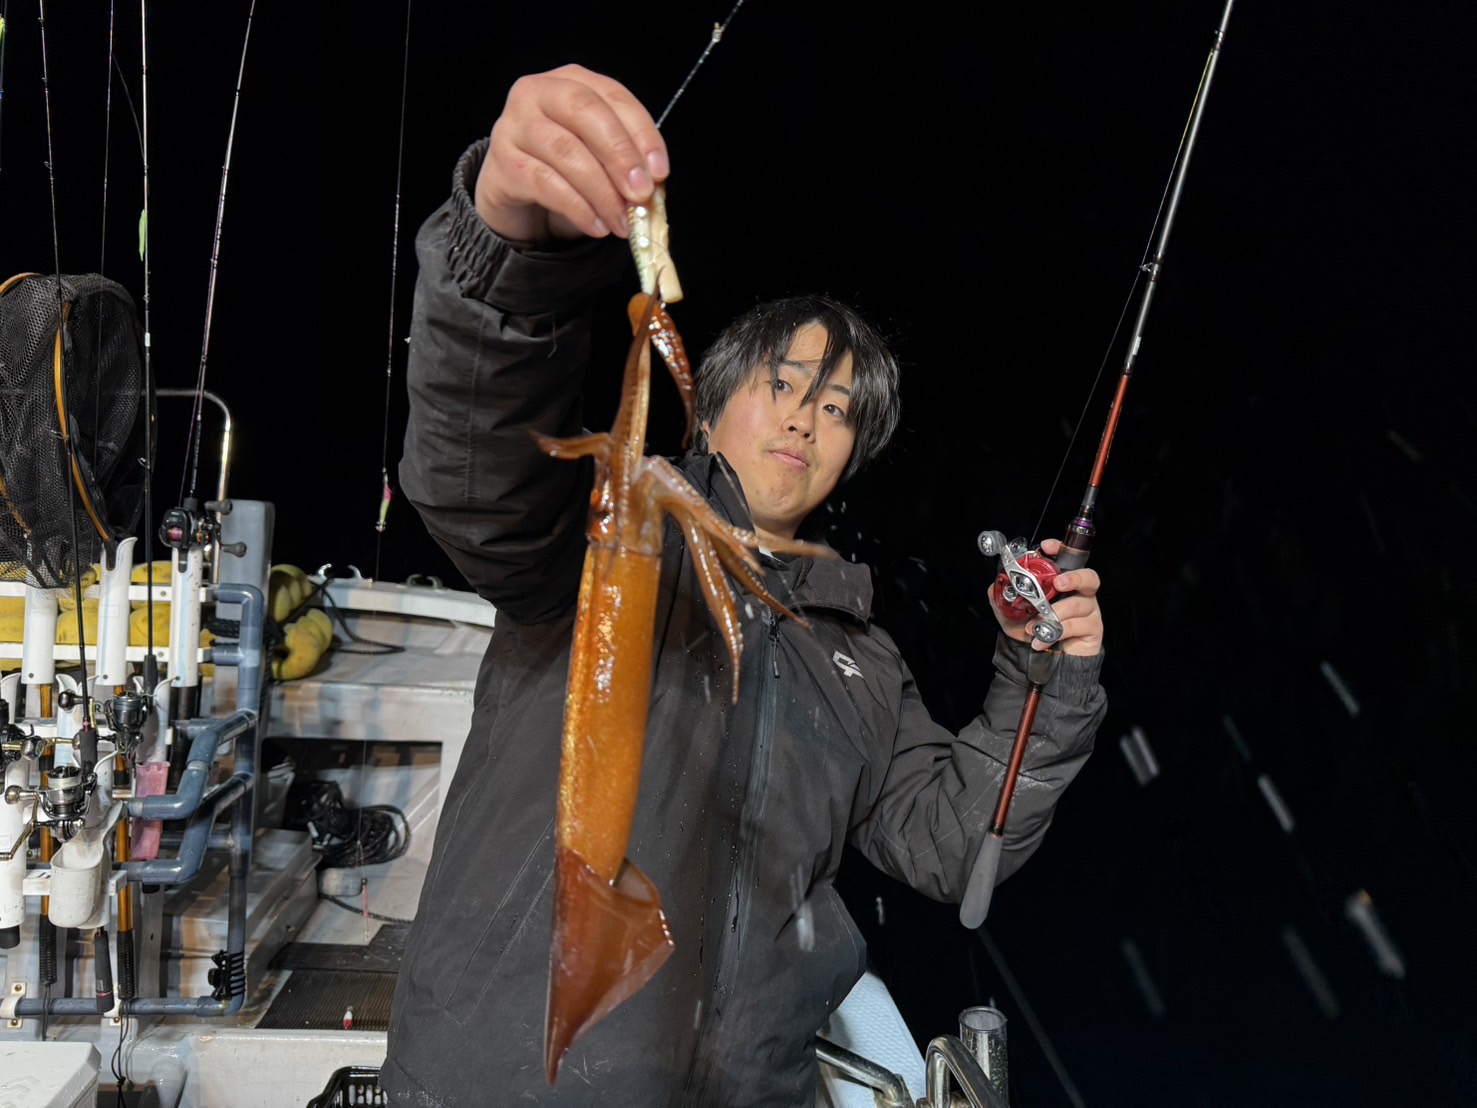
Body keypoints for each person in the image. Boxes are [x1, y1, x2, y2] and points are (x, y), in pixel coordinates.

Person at [383, 65, 1106, 1107]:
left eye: (840, 409)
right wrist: (508, 250)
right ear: (716, 398)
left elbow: (956, 847)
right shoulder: (600, 542)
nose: (807, 418)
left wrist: (1045, 680)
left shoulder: (861, 660)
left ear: (850, 458)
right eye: (783, 383)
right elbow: (478, 475)